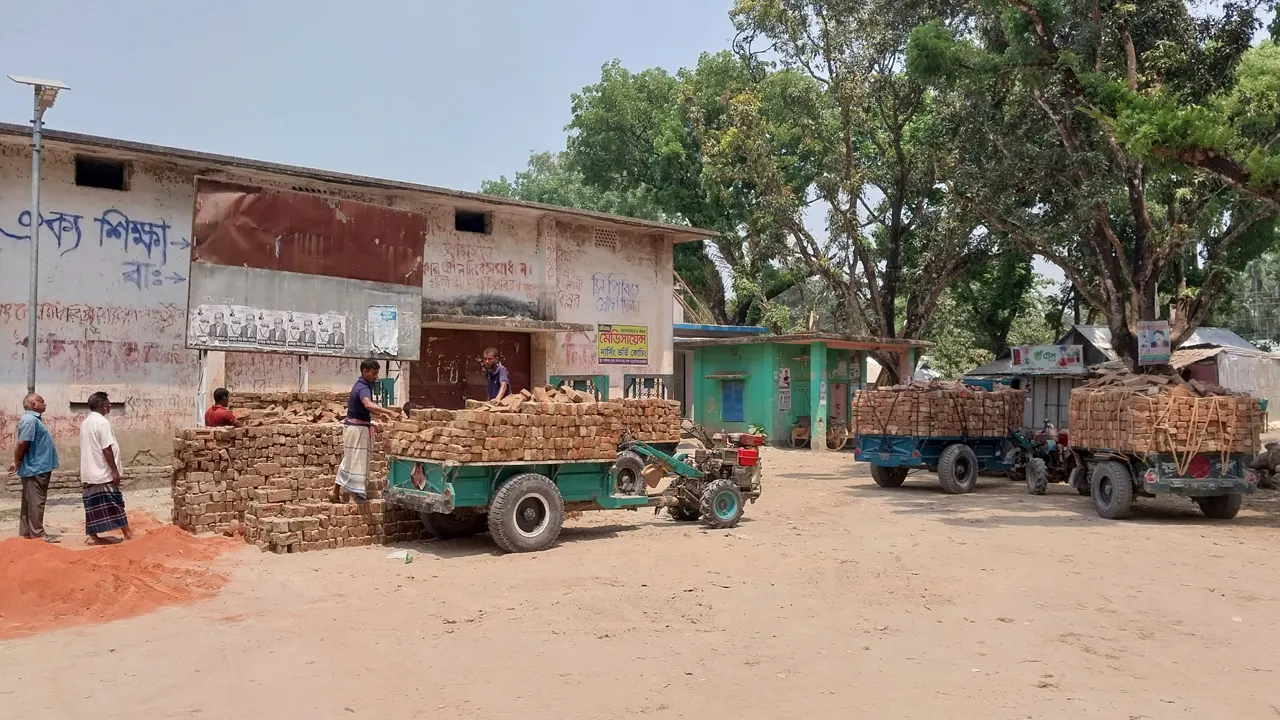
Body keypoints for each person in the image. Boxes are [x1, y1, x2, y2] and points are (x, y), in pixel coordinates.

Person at [334, 360, 397, 503]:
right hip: (357, 430)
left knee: (349, 460)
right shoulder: (363, 387)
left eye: (377, 373)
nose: (376, 376)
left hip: (353, 427)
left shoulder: (360, 385)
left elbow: (364, 409)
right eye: (374, 373)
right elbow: (367, 404)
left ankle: (335, 490)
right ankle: (354, 497)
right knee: (358, 463)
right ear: (365, 372)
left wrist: (378, 414)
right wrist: (389, 412)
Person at [79, 392, 133, 544]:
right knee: (114, 502)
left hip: (90, 472)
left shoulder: (86, 422)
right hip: (102, 472)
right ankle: (127, 533)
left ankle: (92, 536)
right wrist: (114, 471)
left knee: (93, 506)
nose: (110, 405)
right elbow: (106, 449)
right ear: (101, 406)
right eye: (108, 403)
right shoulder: (102, 423)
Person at [9, 393, 60, 543]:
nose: (45, 404)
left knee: (30, 501)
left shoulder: (33, 420)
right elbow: (22, 443)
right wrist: (17, 461)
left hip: (38, 467)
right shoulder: (30, 420)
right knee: (36, 501)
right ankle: (37, 534)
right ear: (33, 404)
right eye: (42, 401)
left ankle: (26, 533)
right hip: (36, 467)